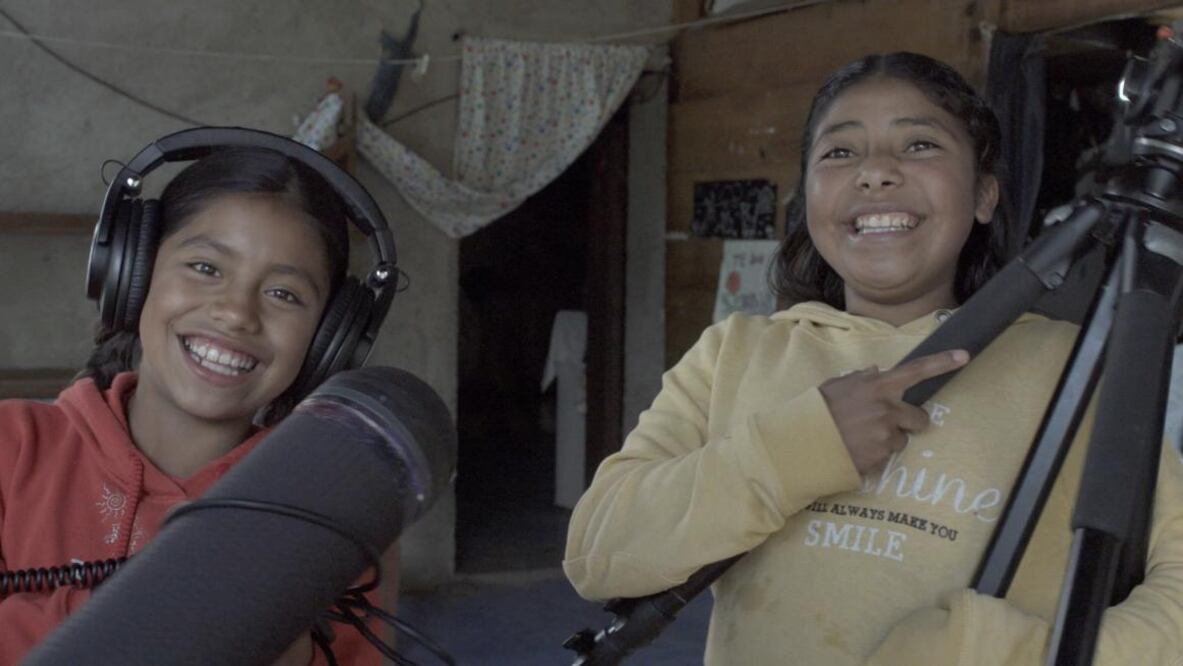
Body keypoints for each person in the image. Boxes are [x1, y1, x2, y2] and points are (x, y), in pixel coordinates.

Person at [564, 52, 1183, 664]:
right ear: (807, 196)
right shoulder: (737, 353)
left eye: (919, 145)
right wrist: (798, 448)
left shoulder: (1076, 369)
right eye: (839, 152)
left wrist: (1013, 654)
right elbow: (599, 552)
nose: (876, 172)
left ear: (985, 195)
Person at [0, 144, 387, 665]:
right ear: (132, 276)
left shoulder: (325, 517)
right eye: (205, 266)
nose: (235, 313)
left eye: (284, 294)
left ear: (326, 341)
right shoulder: (12, 447)